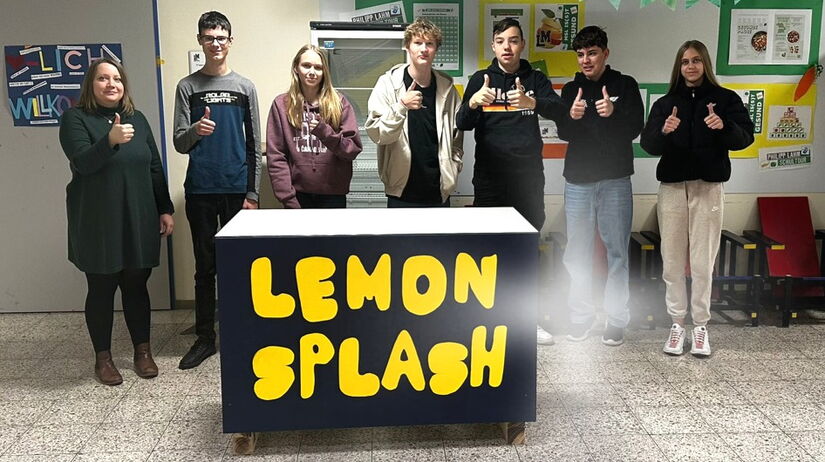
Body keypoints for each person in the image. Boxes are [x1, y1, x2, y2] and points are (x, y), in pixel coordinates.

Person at [59, 58, 174, 385]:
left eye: (117, 79)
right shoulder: (75, 119)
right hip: (97, 219)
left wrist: (165, 208)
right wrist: (109, 140)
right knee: (102, 287)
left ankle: (142, 351)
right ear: (90, 84)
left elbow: (154, 166)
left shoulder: (137, 118)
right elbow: (83, 163)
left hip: (139, 214)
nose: (111, 84)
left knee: (137, 284)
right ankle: (104, 358)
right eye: (103, 78)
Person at [640, 40, 754, 357]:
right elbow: (648, 144)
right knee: (673, 262)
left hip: (709, 188)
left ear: (705, 64)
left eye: (696, 60)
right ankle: (677, 324)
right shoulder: (665, 103)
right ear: (679, 67)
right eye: (685, 61)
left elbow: (746, 137)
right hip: (673, 189)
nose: (690, 66)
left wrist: (724, 126)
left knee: (703, 263)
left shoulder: (726, 100)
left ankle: (701, 326)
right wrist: (664, 130)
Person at [456, 18, 563, 345]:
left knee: (525, 250)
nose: (507, 47)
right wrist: (473, 102)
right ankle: (487, 321)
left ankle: (528, 320)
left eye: (513, 40)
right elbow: (462, 122)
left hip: (527, 180)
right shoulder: (480, 79)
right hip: (490, 180)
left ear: (522, 45)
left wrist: (533, 103)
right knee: (488, 251)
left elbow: (558, 109)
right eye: (501, 41)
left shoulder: (535, 78)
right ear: (493, 45)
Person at [173, 11, 261, 369]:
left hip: (237, 190)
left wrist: (253, 194)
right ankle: (205, 338)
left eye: (221, 37)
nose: (215, 43)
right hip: (200, 190)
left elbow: (255, 144)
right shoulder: (187, 86)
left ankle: (240, 334)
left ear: (230, 41)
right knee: (205, 268)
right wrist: (196, 130)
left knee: (238, 266)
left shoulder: (245, 87)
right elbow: (179, 143)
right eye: (209, 38)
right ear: (200, 41)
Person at [556, 26, 644, 347]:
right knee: (576, 252)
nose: (586, 60)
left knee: (617, 251)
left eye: (592, 53)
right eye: (580, 54)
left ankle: (616, 319)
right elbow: (564, 132)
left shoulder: (625, 84)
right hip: (578, 181)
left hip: (615, 180)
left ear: (605, 53)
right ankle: (581, 317)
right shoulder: (571, 90)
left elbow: (636, 128)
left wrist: (614, 112)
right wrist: (571, 116)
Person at [366, 18, 463, 208]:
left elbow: (457, 139)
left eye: (430, 44)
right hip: (401, 192)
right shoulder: (388, 84)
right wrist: (401, 106)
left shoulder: (448, 89)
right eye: (418, 42)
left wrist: (453, 166)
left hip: (439, 192)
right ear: (407, 47)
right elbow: (377, 134)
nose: (424, 49)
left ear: (436, 49)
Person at [266, 45, 362, 208]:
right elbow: (276, 156)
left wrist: (325, 133)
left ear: (325, 72)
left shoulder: (340, 103)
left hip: (333, 196)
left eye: (318, 67)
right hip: (297, 195)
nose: (312, 72)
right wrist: (288, 199)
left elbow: (352, 150)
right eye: (306, 65)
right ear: (296, 68)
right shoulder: (281, 104)